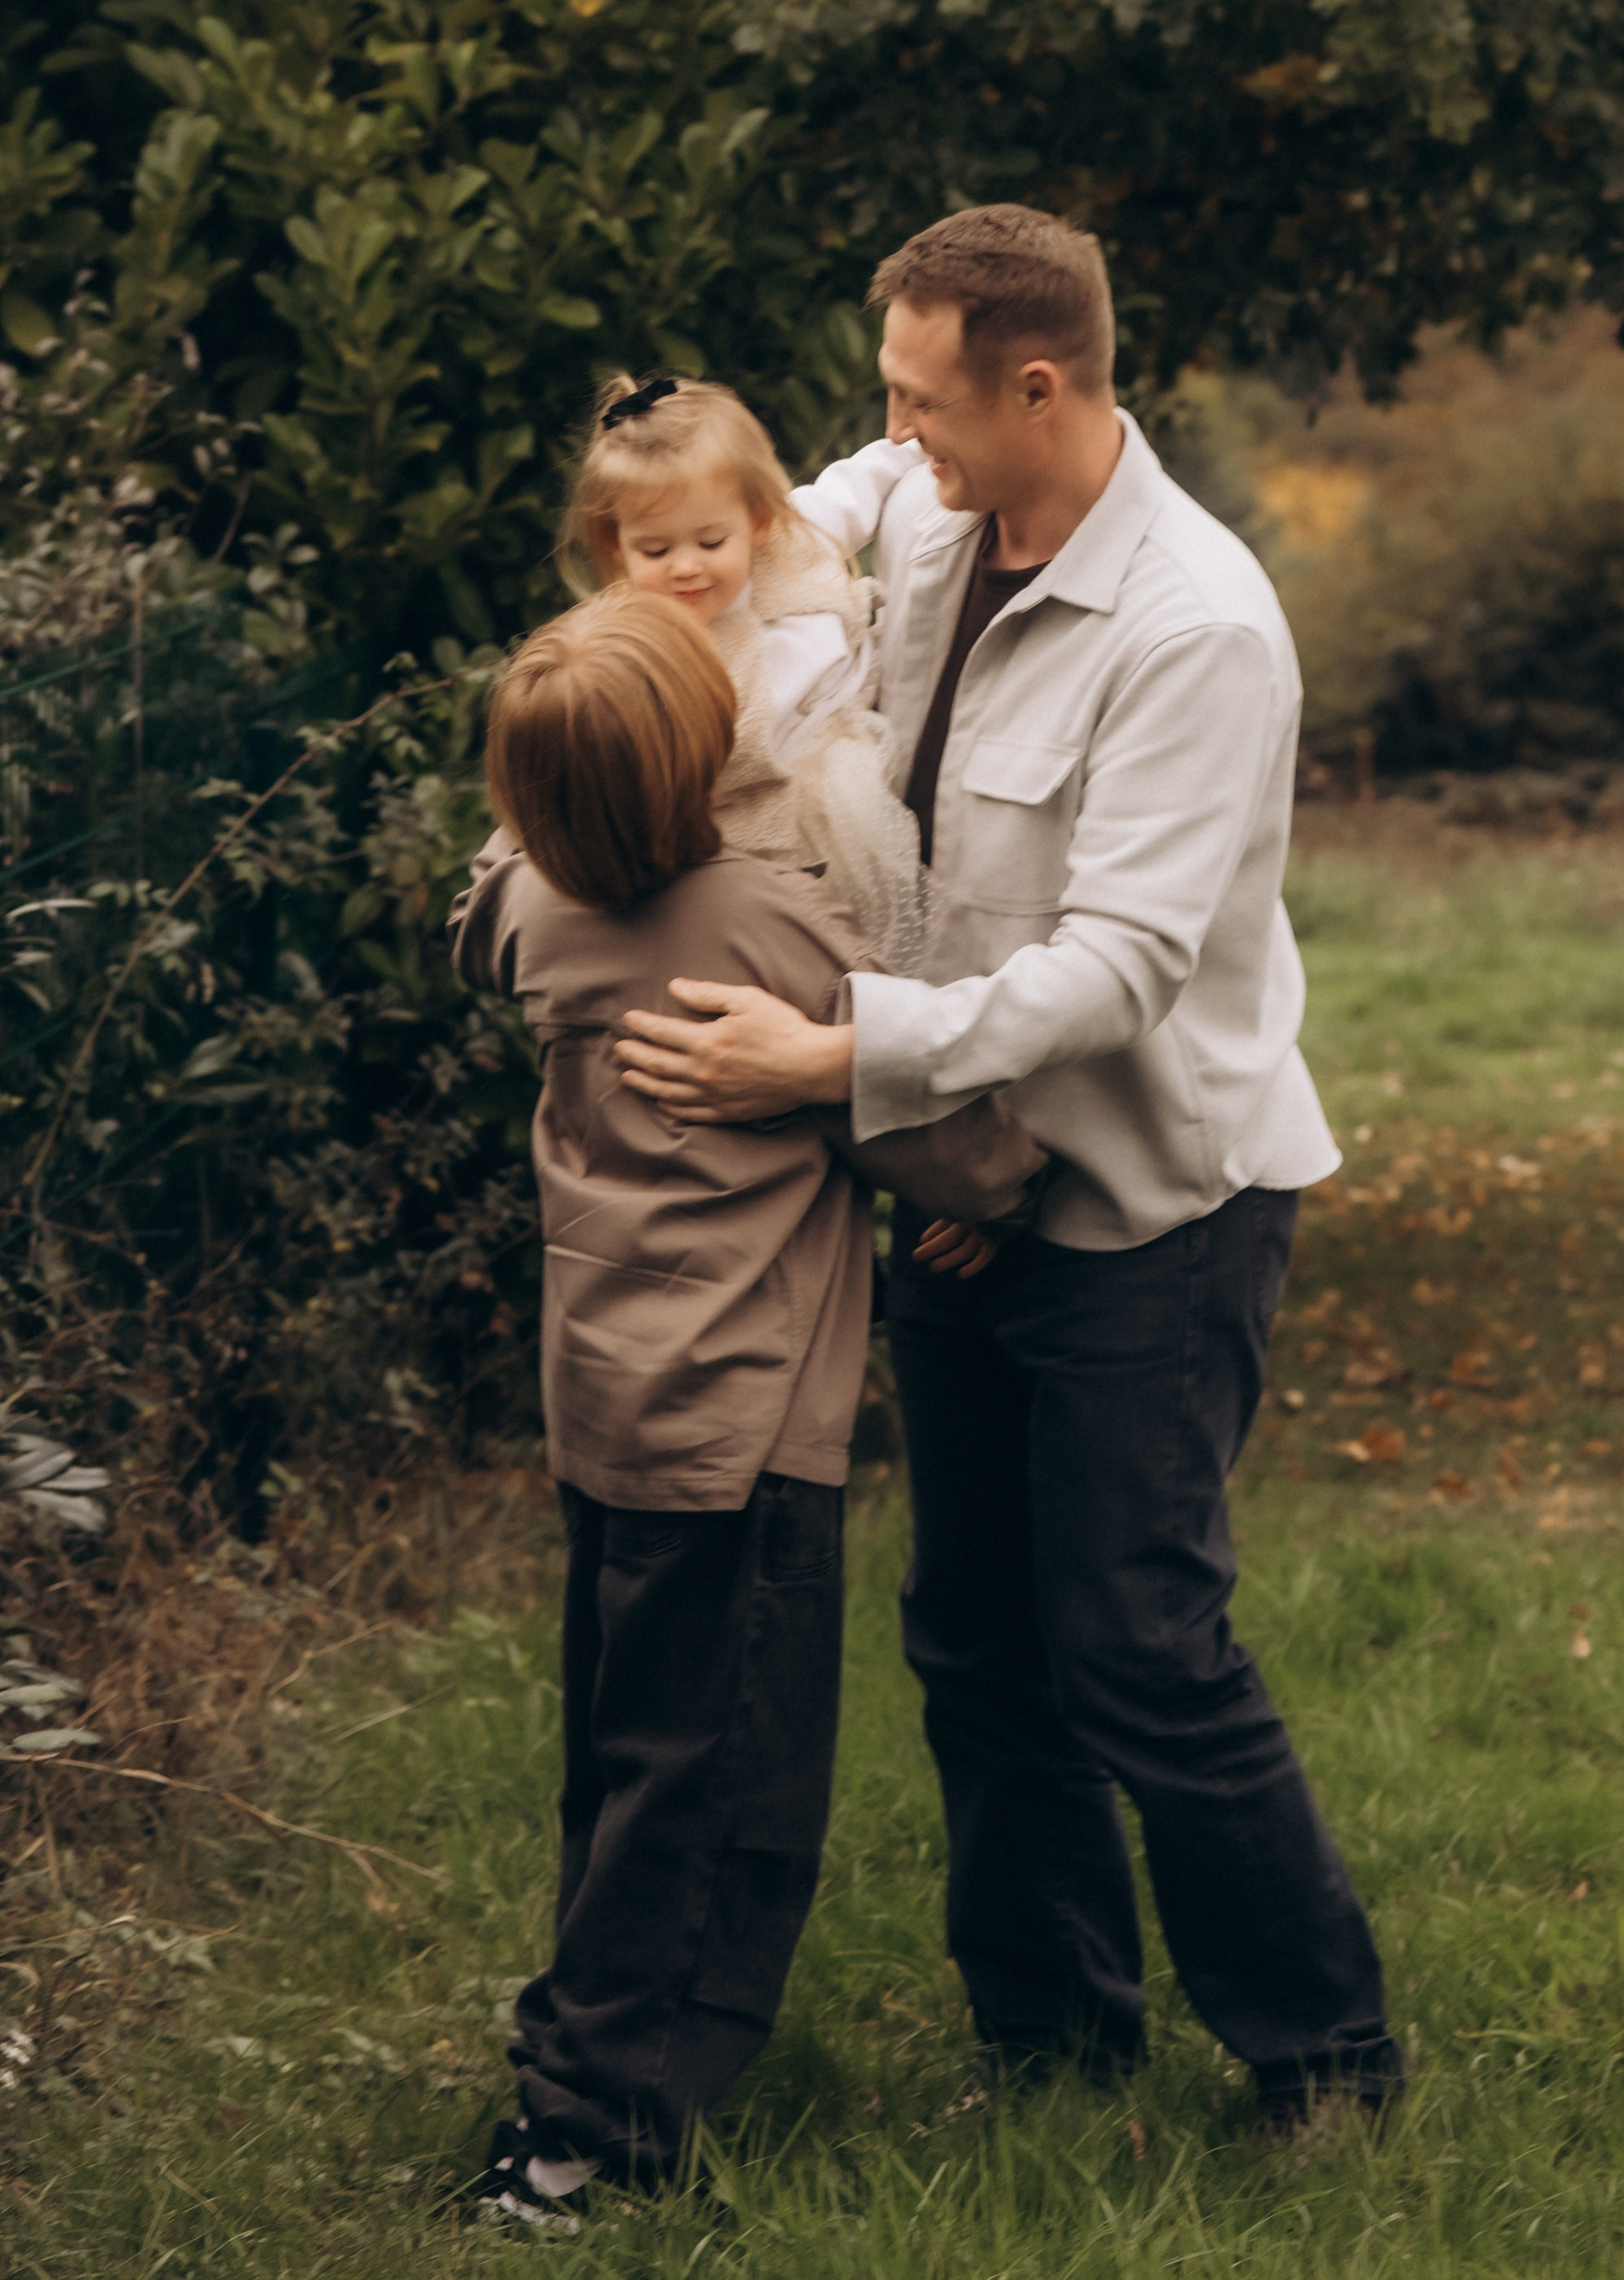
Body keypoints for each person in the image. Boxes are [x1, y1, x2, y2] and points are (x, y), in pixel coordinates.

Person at [612, 204, 1402, 2131]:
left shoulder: (1194, 628)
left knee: (1135, 1645)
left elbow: (1120, 967)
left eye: (914, 396)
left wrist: (841, 1061)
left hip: (1150, 1205)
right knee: (973, 1641)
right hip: (976, 1179)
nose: (885, 436)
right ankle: (1052, 2050)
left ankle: (1325, 2062)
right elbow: (772, 521)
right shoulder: (930, 507)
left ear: (1032, 384)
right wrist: (661, 547)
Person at [449, 586, 1039, 2231]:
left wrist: (522, 838)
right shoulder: (764, 923)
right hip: (746, 1427)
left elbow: (480, 903)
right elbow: (921, 1115)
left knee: (625, 1754)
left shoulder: (533, 910)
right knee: (717, 1791)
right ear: (707, 760)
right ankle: (588, 2139)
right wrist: (1012, 1181)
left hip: (608, 1414)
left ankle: (575, 2050)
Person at [562, 369, 927, 967]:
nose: (686, 567)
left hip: (859, 756)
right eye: (655, 550)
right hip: (769, 824)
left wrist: (918, 449)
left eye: (711, 542)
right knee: (797, 946)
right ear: (615, 545)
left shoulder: (792, 537)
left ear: (757, 519)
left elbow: (858, 484)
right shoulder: (641, 649)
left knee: (883, 933)